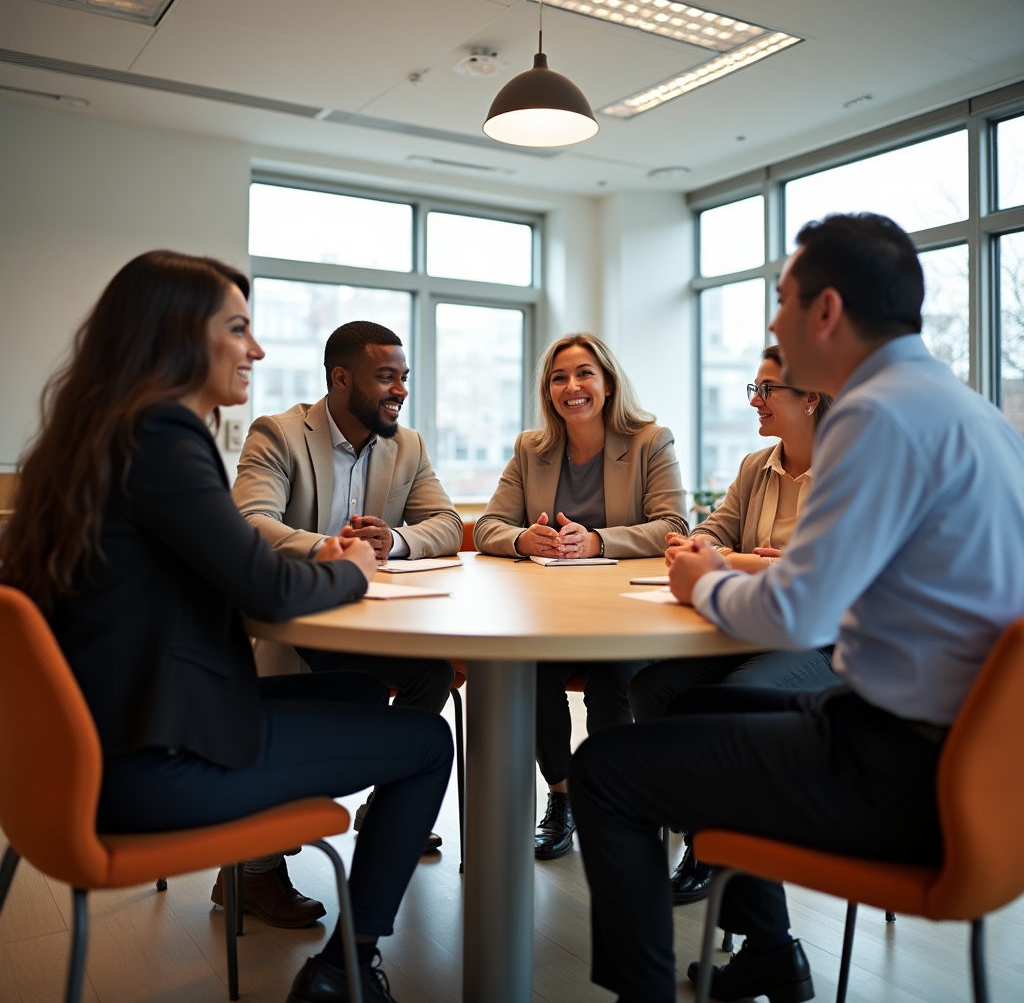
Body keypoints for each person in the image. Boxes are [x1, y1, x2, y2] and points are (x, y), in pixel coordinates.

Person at [570, 213, 1024, 1003]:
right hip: (981, 766)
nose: (774, 320)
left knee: (604, 772)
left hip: (906, 772)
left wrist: (701, 584)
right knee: (699, 705)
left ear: (827, 313)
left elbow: (798, 616)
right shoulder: (971, 411)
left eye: (782, 301)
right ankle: (772, 951)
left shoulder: (873, 413)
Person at [0, 251, 453, 1003]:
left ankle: (287, 901)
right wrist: (354, 570)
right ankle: (346, 970)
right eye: (238, 328)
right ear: (174, 334)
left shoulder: (96, 436)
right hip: (149, 766)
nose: (258, 349)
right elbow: (266, 587)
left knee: (360, 693)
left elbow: (228, 571)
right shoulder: (163, 437)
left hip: (89, 751)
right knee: (427, 742)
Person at [230, 320, 462, 921]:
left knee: (429, 673)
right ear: (340, 378)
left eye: (404, 378)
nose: (400, 390)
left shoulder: (406, 445)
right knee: (300, 695)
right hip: (292, 619)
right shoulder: (278, 434)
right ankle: (254, 871)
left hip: (368, 620)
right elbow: (251, 523)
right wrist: (330, 551)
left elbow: (444, 522)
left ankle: (388, 804)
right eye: (386, 377)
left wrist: (397, 540)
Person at [627, 344, 841, 907]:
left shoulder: (853, 470)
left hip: (825, 640)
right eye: (754, 388)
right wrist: (714, 550)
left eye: (767, 390)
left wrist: (741, 563)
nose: (755, 401)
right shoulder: (756, 467)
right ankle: (705, 837)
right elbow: (715, 532)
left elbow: (824, 575)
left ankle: (758, 926)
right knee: (653, 687)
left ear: (811, 398)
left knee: (736, 702)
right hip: (749, 628)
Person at [474, 332, 687, 860]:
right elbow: (487, 527)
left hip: (632, 617)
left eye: (584, 373)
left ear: (608, 384)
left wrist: (598, 540)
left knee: (612, 677)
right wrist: (522, 539)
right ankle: (563, 797)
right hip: (558, 616)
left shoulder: (650, 440)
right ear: (548, 392)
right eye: (558, 377)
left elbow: (676, 526)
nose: (572, 386)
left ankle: (616, 802)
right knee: (533, 670)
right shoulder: (532, 448)